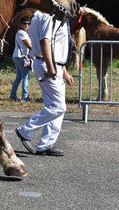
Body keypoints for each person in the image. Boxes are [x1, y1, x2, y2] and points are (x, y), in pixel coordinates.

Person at [15, 10, 74, 156]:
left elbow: (55, 45)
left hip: (55, 64)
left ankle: (45, 144)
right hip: (47, 64)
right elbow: (44, 42)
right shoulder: (48, 16)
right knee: (59, 107)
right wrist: (52, 68)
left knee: (53, 106)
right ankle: (25, 130)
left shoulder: (53, 17)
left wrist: (64, 71)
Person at [9, 16, 32, 102]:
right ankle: (24, 97)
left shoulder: (20, 32)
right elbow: (29, 46)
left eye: (28, 24)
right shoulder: (22, 33)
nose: (26, 25)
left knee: (19, 77)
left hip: (17, 56)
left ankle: (12, 95)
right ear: (20, 24)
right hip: (21, 57)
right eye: (24, 23)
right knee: (26, 76)